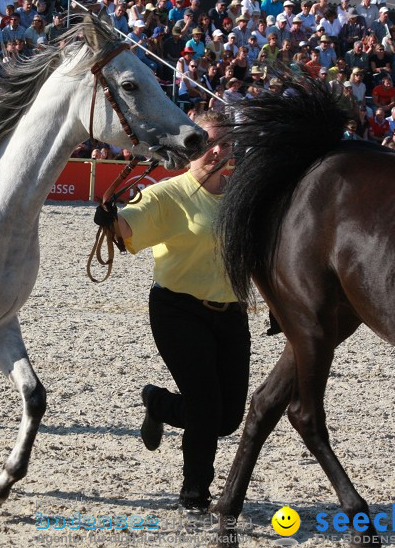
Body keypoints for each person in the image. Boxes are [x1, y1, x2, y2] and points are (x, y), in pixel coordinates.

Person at [96, 111, 250, 513]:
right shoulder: (168, 193)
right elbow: (128, 227)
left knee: (228, 418)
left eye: (226, 144)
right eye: (210, 143)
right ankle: (195, 493)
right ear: (191, 146)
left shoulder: (242, 197)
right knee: (204, 405)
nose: (219, 152)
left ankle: (160, 404)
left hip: (231, 313)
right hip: (178, 311)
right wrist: (112, 219)